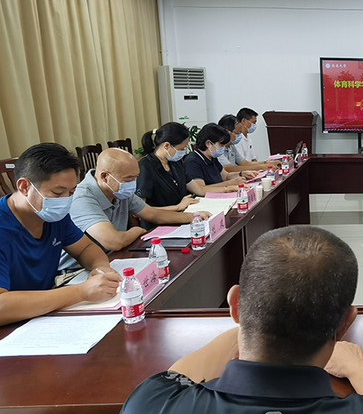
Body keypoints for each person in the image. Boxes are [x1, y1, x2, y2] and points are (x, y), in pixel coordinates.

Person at [116, 225, 363, 414]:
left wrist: (250, 316)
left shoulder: (152, 410)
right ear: (345, 323)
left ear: (235, 305)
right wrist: (356, 367)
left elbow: (178, 377)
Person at [0, 143, 120, 326]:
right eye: (58, 193)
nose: (65, 200)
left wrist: (100, 267)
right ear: (24, 186)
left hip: (43, 315)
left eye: (71, 192)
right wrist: (81, 292)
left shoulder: (53, 216)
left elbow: (85, 247)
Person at [58, 148, 212, 272]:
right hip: (77, 271)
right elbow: (114, 241)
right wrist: (137, 231)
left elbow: (153, 214)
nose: (133, 184)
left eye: (135, 178)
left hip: (112, 260)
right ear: (105, 176)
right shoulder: (82, 197)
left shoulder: (119, 190)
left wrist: (194, 216)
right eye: (128, 179)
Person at [136, 123, 199, 230]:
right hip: (157, 226)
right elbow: (140, 211)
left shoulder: (174, 162)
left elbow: (197, 188)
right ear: (166, 146)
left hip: (181, 218)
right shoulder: (145, 167)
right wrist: (177, 207)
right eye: (181, 148)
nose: (183, 152)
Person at [183, 123, 257, 197]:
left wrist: (241, 174)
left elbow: (226, 176)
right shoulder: (193, 162)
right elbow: (201, 189)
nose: (223, 148)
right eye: (221, 145)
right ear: (208, 143)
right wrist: (230, 185)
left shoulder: (212, 157)